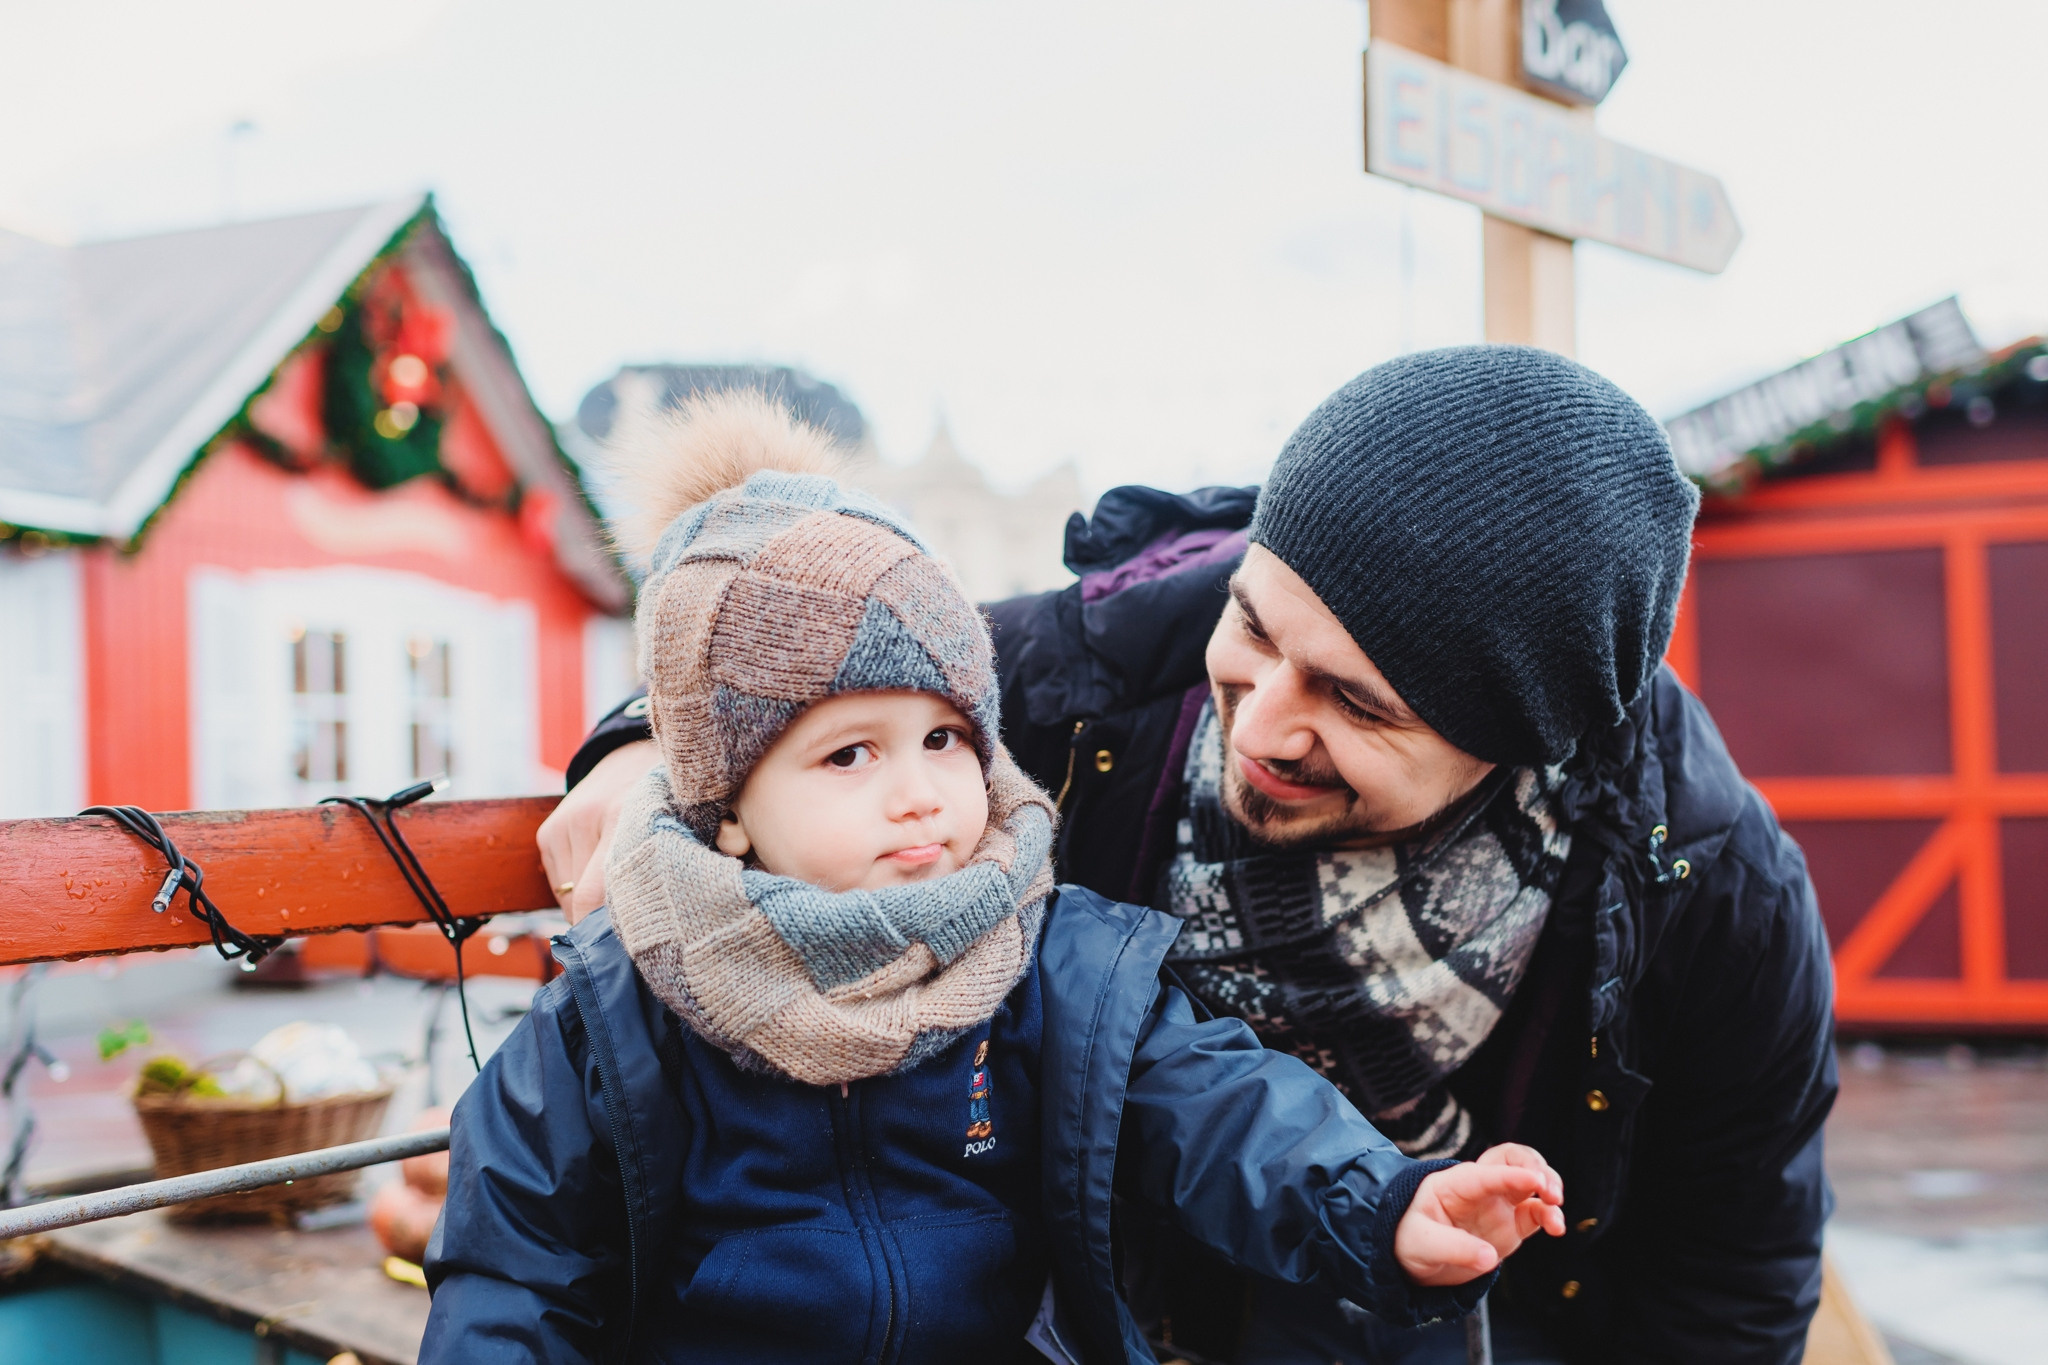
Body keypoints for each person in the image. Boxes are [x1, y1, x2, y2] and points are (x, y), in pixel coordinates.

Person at [548, 349, 1839, 1365]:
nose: (1263, 720)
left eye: (1360, 704)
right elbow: (809, 656)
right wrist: (637, 741)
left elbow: (1728, 1287)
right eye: (1255, 627)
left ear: (1514, 744)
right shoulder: (1105, 666)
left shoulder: (1708, 889)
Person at [428, 390, 1569, 1364]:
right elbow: (514, 1267)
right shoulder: (625, 1003)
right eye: (847, 755)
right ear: (725, 809)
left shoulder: (1043, 954)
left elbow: (1222, 1108)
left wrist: (1386, 1206)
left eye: (943, 740)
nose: (920, 790)